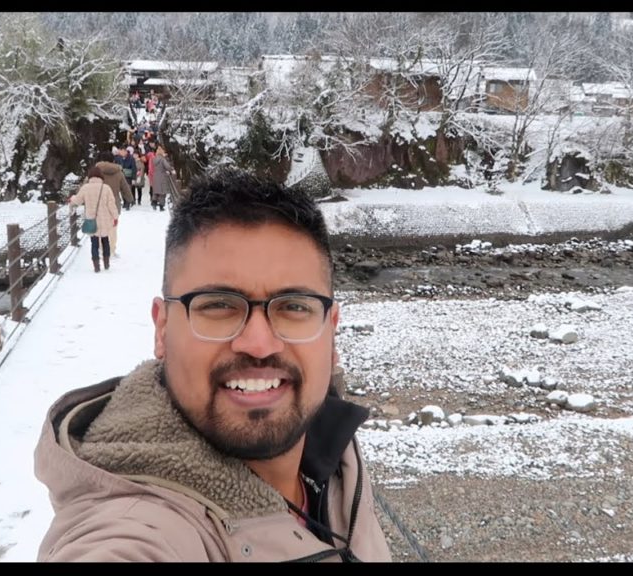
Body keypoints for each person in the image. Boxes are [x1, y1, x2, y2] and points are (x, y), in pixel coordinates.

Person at [35, 169, 392, 562]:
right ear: (162, 329)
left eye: (294, 307)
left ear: (331, 331)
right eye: (219, 305)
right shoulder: (134, 532)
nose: (259, 344)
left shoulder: (336, 456)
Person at [68, 165, 118, 273]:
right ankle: (106, 263)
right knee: (105, 241)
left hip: (92, 220)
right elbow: (111, 205)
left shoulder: (85, 188)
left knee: (94, 243)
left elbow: (77, 201)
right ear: (101, 176)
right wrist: (115, 217)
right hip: (105, 219)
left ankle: (96, 266)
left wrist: (71, 200)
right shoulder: (106, 188)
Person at [94, 151, 132, 253]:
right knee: (112, 228)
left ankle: (101, 248)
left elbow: (87, 185)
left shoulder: (96, 172)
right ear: (113, 160)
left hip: (98, 203)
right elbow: (125, 188)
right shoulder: (118, 172)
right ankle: (111, 249)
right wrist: (129, 199)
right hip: (114, 203)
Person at [150, 146, 179, 211]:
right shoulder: (162, 159)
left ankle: (154, 203)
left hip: (155, 176)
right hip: (162, 176)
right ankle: (161, 206)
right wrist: (171, 170)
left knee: (156, 191)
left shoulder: (154, 159)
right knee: (162, 192)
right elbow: (167, 166)